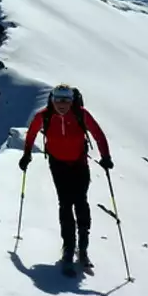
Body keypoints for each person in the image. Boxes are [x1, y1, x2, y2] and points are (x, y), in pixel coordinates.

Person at [19, 84, 114, 268]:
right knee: (65, 203)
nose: (62, 104)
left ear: (72, 101)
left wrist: (106, 156)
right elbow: (31, 133)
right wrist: (27, 153)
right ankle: (69, 247)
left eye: (66, 100)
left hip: (79, 164)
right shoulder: (44, 115)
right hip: (58, 165)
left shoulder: (81, 114)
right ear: (52, 99)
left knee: (80, 202)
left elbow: (98, 135)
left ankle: (83, 247)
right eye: (58, 99)